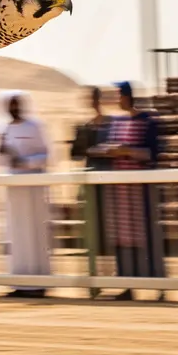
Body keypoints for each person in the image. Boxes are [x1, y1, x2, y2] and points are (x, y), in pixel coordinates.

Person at [91, 81, 164, 301]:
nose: (116, 99)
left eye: (118, 95)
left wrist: (128, 151)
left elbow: (154, 152)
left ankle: (159, 285)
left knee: (147, 238)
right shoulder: (118, 122)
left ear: (127, 96)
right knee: (123, 239)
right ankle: (126, 283)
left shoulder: (147, 122)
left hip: (142, 191)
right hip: (121, 192)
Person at [0, 90, 52, 298]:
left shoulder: (34, 126)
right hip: (13, 189)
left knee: (35, 234)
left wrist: (26, 162)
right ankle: (18, 281)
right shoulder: (2, 129)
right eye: (10, 105)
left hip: (33, 188)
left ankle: (39, 283)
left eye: (17, 104)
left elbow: (46, 154)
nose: (14, 108)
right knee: (15, 235)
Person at [70, 86, 112, 256]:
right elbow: (76, 154)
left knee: (106, 212)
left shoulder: (109, 124)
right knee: (92, 213)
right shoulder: (87, 126)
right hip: (91, 173)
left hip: (106, 174)